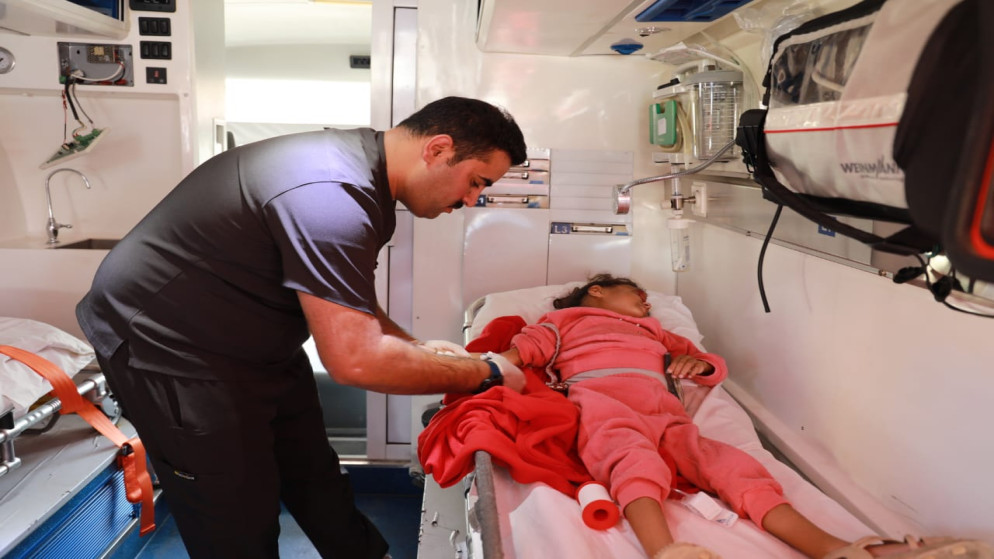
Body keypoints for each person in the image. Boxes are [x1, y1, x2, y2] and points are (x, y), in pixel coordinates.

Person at [75, 96, 528, 559]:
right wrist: (485, 373)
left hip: (254, 337)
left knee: (313, 472)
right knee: (235, 512)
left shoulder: (365, 176)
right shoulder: (332, 195)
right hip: (170, 348)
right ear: (438, 149)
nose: (471, 200)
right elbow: (356, 361)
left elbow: (344, 294)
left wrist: (415, 345)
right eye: (476, 182)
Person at [498, 274, 991, 559]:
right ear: (598, 291)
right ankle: (664, 550)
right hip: (603, 401)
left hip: (665, 409)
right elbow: (526, 350)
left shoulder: (656, 332)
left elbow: (708, 363)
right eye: (634, 292)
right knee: (631, 461)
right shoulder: (566, 320)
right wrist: (486, 369)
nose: (645, 302)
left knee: (731, 465)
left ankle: (838, 549)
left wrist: (696, 364)